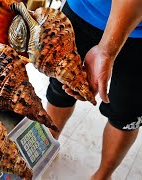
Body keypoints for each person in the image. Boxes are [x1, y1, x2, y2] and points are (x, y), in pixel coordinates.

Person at [46, 0, 142, 179]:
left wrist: (106, 49)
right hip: (82, 11)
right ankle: (47, 147)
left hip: (140, 35)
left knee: (126, 115)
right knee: (60, 89)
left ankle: (103, 175)